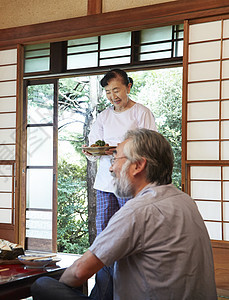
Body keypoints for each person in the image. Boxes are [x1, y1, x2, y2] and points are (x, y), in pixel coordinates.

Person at [32, 129, 217, 300]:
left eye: (115, 159)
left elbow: (79, 272)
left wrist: (62, 287)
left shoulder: (138, 210)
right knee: (108, 265)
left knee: (43, 285)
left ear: (137, 165)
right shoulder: (184, 200)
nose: (111, 169)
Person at [83, 69, 157, 298]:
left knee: (131, 234)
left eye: (116, 89)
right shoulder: (103, 117)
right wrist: (92, 151)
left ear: (128, 86)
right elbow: (92, 150)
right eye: (107, 92)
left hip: (131, 182)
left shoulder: (141, 113)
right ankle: (104, 291)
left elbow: (150, 148)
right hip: (106, 183)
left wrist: (119, 149)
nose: (112, 96)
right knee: (104, 236)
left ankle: (131, 288)